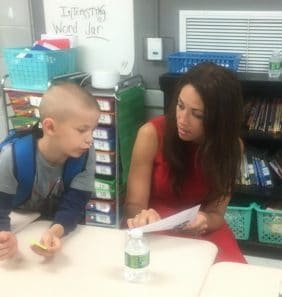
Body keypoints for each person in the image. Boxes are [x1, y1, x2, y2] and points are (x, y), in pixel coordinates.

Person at [124, 62, 246, 263]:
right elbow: (133, 205)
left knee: (234, 281)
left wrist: (205, 220)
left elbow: (217, 213)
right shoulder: (151, 134)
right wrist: (143, 218)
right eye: (180, 106)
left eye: (197, 115)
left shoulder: (231, 147)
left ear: (219, 120)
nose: (182, 119)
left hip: (201, 229)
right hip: (157, 226)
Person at [0, 82, 100, 260]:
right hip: (18, 226)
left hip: (55, 226)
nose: (90, 139)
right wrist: (5, 239)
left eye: (92, 130)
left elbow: (75, 204)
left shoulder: (85, 155)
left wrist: (55, 231)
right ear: (50, 127)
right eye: (82, 130)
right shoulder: (12, 157)